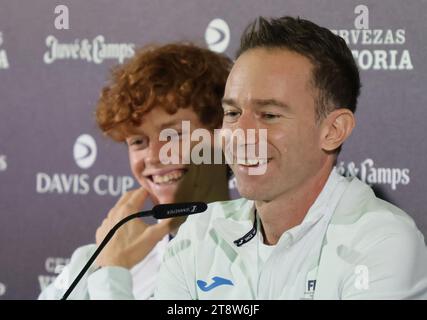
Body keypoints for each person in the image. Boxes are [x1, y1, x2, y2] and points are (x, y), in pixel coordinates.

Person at [82, 16, 427, 300]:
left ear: (333, 129)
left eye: (269, 115)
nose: (241, 135)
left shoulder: (380, 241)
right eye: (232, 113)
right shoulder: (201, 233)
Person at [38, 43, 232, 299]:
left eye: (173, 135)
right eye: (138, 141)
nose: (154, 156)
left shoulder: (255, 256)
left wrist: (112, 271)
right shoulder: (102, 256)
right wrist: (101, 261)